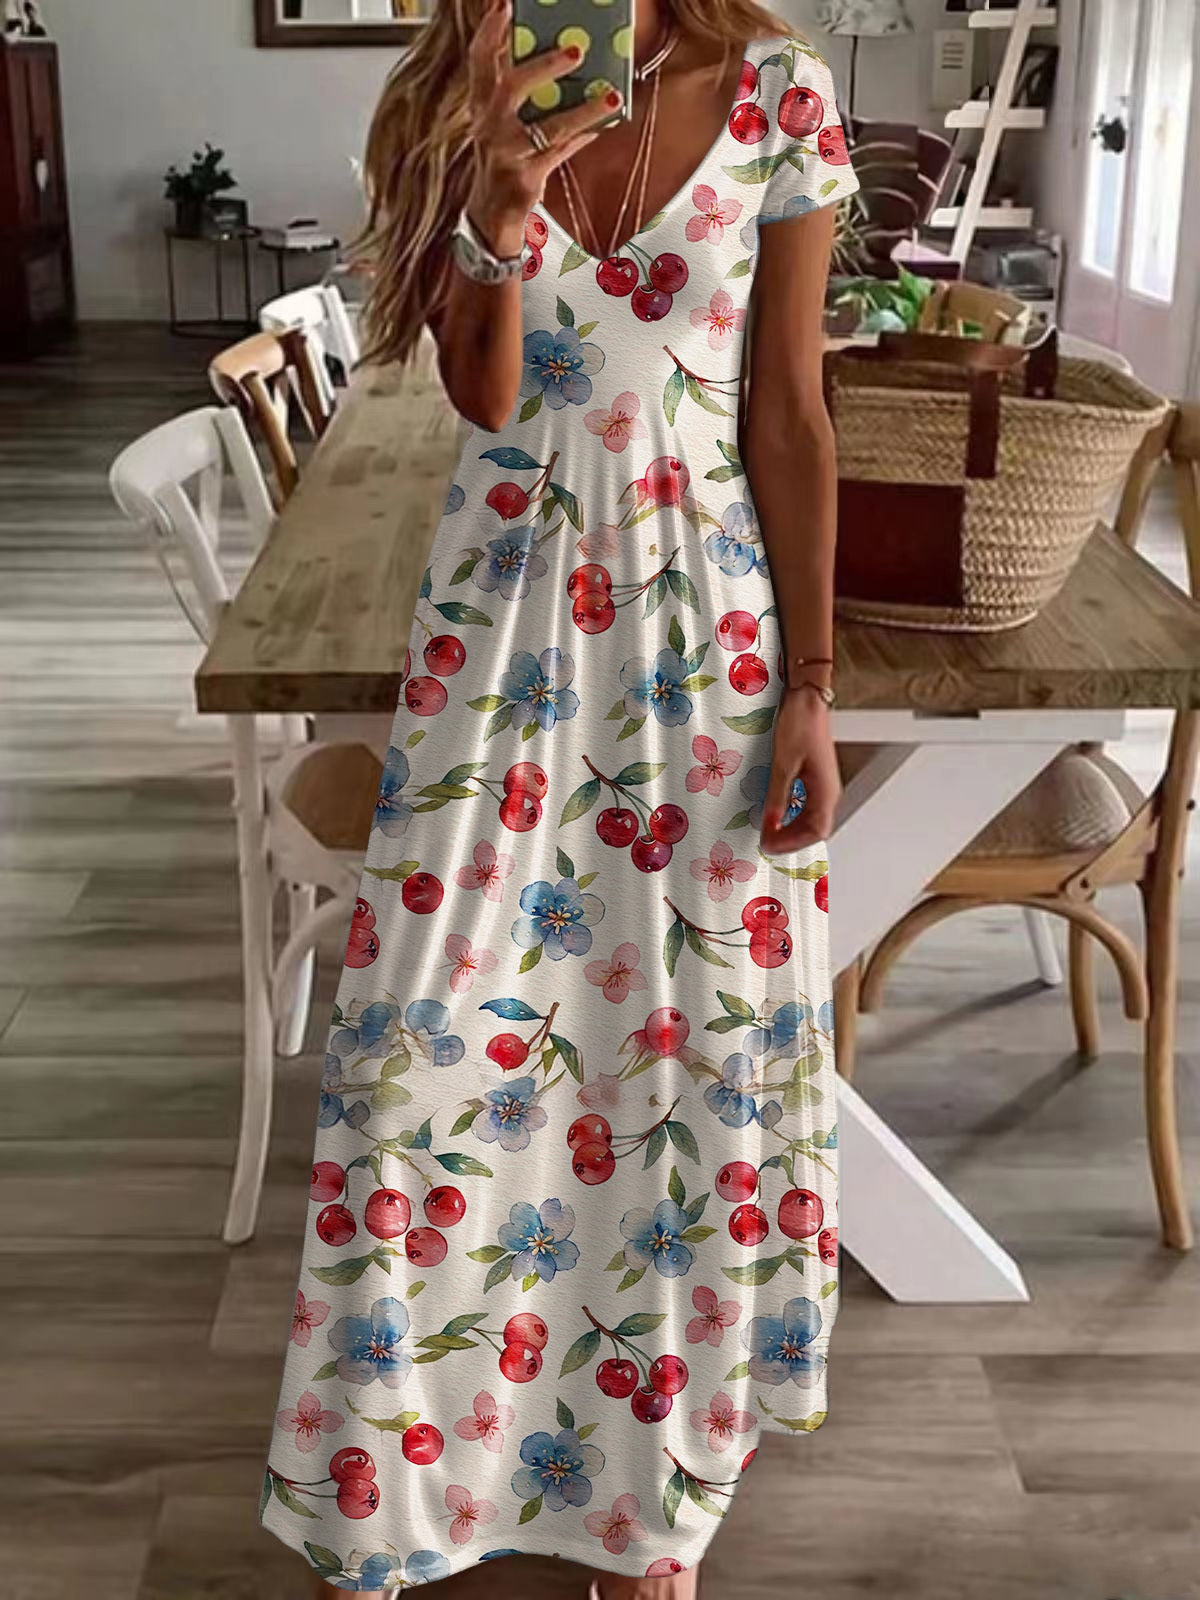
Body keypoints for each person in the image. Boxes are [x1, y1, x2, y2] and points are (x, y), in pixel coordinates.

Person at [258, 1, 858, 1595]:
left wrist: (812, 686)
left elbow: (792, 412)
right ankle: (401, 1477)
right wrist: (495, 208)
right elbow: (484, 394)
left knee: (683, 1047)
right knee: (427, 1045)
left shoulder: (779, 95)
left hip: (707, 633)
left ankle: (654, 1500)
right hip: (503, 621)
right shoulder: (462, 89)